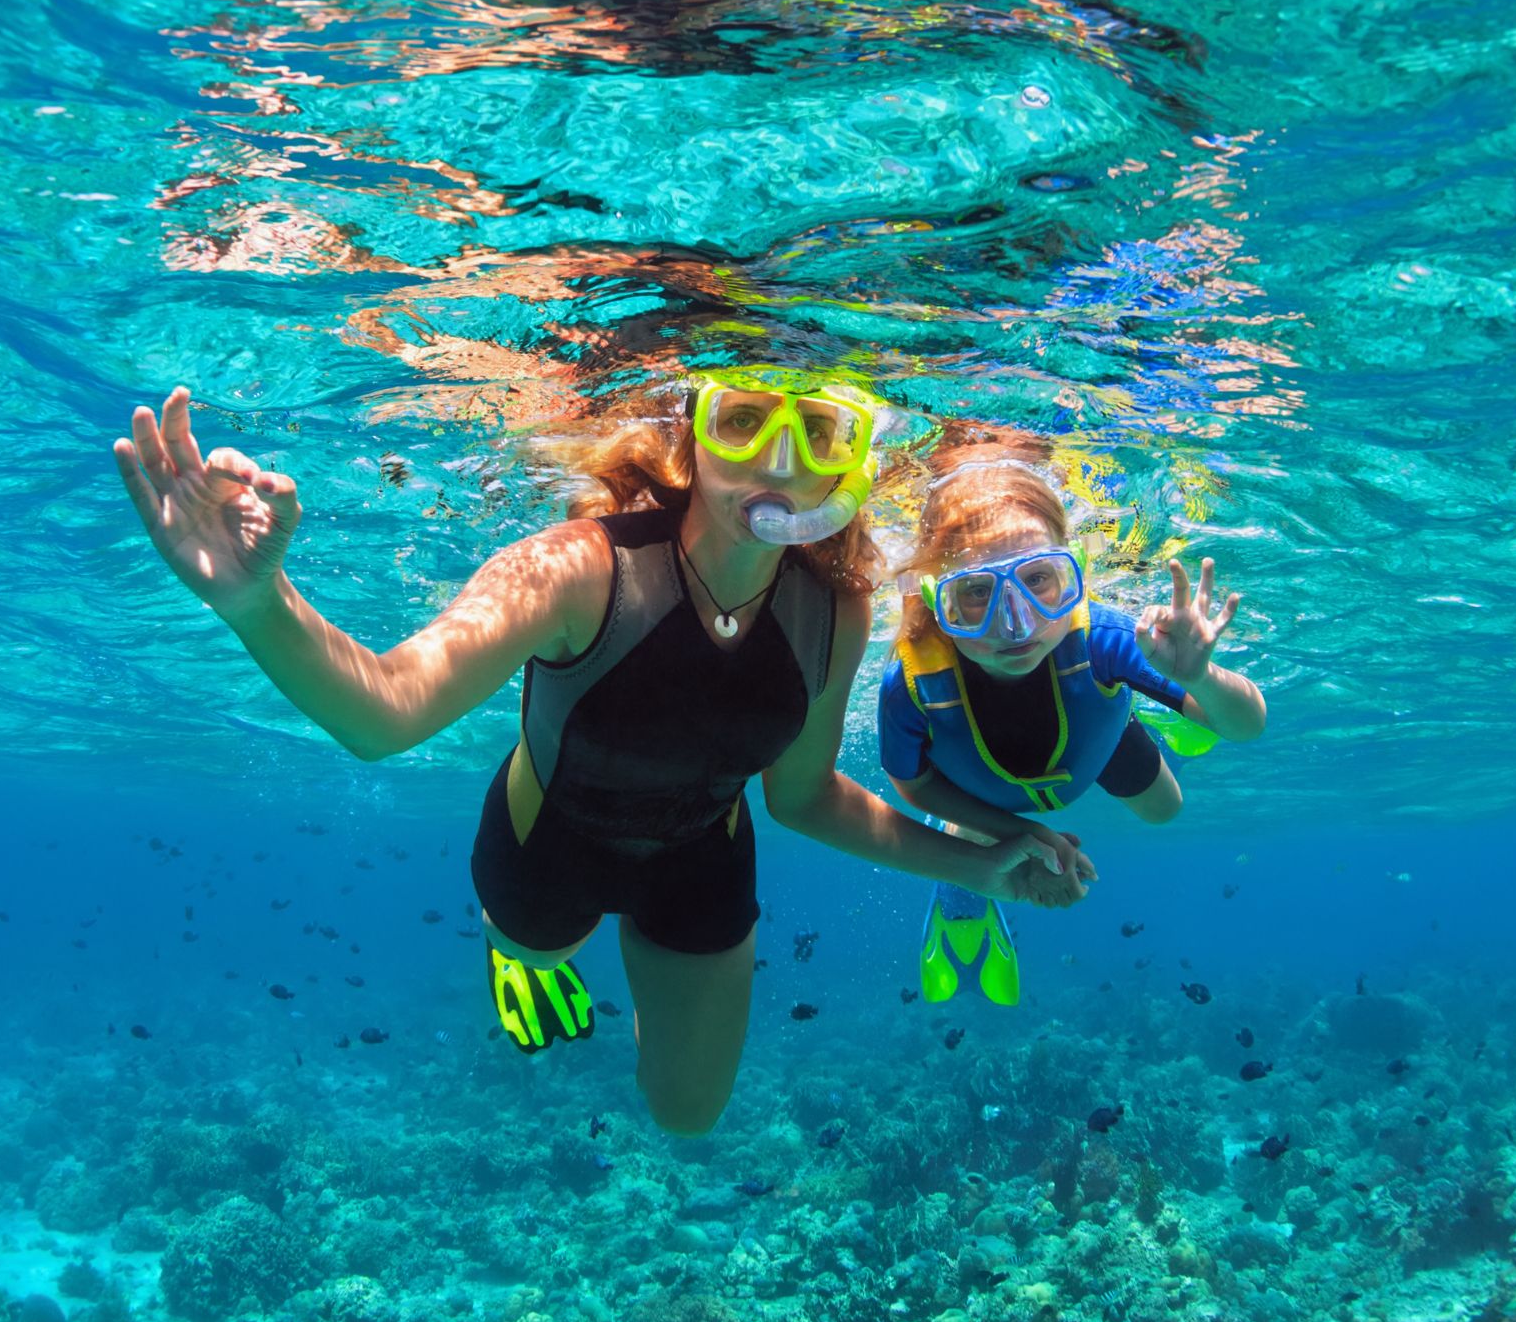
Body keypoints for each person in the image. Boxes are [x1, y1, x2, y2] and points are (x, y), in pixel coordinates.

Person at [112, 373, 1085, 1136]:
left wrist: (982, 863)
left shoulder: (836, 606)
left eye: (819, 433)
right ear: (693, 434)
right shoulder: (579, 567)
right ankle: (520, 955)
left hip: (703, 855)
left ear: (848, 465)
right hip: (548, 843)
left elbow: (801, 799)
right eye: (744, 421)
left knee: (687, 1116)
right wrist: (254, 601)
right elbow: (385, 713)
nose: (778, 462)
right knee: (537, 948)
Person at [879, 429, 1267, 1006]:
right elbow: (910, 785)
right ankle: (965, 867)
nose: (1015, 626)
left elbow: (1247, 725)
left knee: (1166, 810)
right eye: (977, 594)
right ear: (938, 601)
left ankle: (1158, 706)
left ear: (1075, 574)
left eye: (1039, 581)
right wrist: (1022, 835)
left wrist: (1198, 678)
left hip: (1095, 737)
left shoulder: (1106, 638)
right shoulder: (911, 684)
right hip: (981, 792)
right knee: (987, 823)